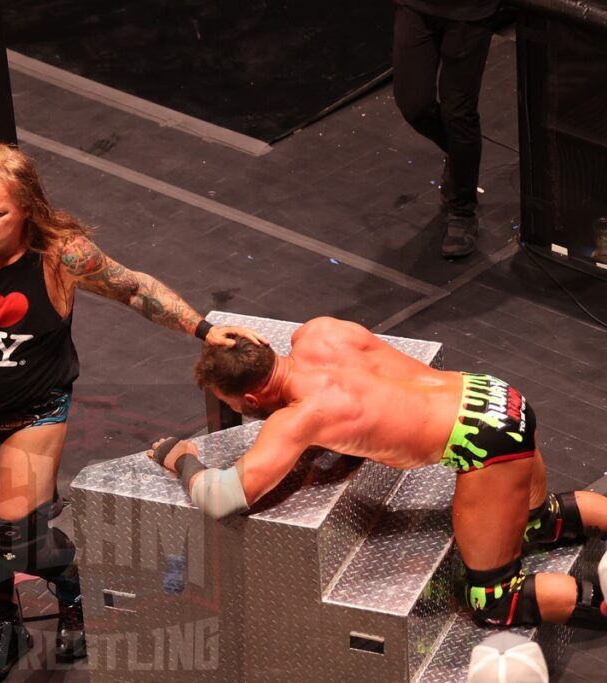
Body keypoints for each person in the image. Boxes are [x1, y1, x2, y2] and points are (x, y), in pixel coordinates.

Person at [0, 139, 263, 680]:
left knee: (19, 537)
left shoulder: (62, 257)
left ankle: (73, 596)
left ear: (26, 213)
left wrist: (203, 328)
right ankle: (5, 620)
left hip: (33, 412)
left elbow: (135, 290)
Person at [150, 316, 607, 631]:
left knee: (495, 600)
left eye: (236, 409)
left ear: (250, 402)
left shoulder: (299, 418)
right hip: (496, 395)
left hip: (482, 439)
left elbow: (220, 496)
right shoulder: (320, 333)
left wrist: (180, 457)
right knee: (538, 520)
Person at [392, 0, 501, 258]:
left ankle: (462, 211)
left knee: (458, 113)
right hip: (417, 7)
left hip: (469, 13)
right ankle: (460, 157)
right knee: (414, 104)